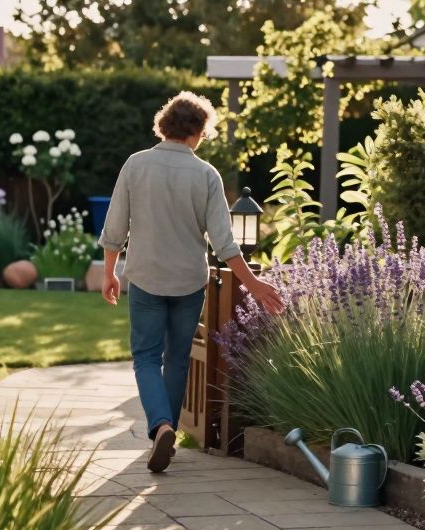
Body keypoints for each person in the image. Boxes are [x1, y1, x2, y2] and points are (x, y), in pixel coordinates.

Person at [99, 91, 285, 473]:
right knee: (177, 358)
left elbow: (115, 226)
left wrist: (109, 273)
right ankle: (163, 433)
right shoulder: (206, 175)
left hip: (146, 277)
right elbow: (224, 242)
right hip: (189, 282)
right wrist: (253, 284)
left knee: (146, 357)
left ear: (164, 125)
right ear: (198, 131)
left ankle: (161, 426)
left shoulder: (136, 165)